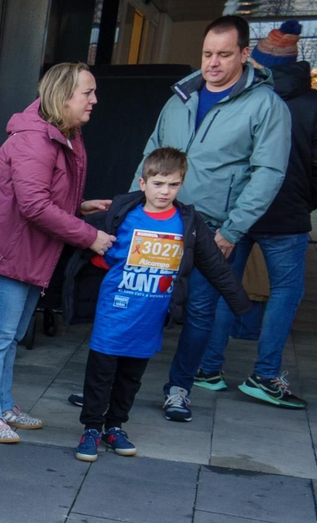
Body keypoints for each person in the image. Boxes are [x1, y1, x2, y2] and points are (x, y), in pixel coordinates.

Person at [143, 16, 291, 421]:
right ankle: (115, 383)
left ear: (245, 54)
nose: (212, 63)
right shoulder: (180, 98)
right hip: (162, 218)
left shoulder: (266, 106)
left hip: (213, 227)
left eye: (224, 54)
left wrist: (232, 230)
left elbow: (269, 174)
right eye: (207, 53)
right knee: (143, 301)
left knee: (200, 312)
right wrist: (138, 204)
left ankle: (179, 388)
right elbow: (152, 151)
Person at [74, 147, 252, 462]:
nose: (164, 191)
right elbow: (77, 232)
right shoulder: (123, 212)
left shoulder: (188, 222)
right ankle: (90, 428)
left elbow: (214, 265)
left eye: (172, 185)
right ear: (143, 183)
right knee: (101, 372)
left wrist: (242, 306)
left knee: (131, 376)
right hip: (115, 310)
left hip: (150, 316)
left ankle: (114, 427)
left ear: (181, 184)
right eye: (158, 184)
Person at [0, 63, 111, 444]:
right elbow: (33, 205)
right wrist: (88, 236)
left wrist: (79, 208)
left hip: (27, 255)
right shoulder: (35, 139)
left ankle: (0, 405)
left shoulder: (62, 134)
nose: (94, 100)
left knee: (9, 337)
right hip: (9, 256)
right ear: (62, 96)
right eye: (87, 93)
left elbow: (39, 197)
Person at [190, 20, 313, 411]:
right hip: (289, 212)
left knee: (229, 287)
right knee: (286, 292)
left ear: (250, 57)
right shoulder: (311, 103)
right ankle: (264, 374)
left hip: (237, 208)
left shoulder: (242, 95)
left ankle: (208, 368)